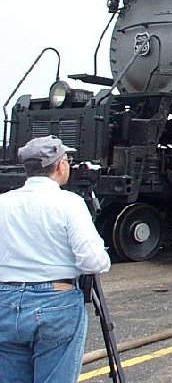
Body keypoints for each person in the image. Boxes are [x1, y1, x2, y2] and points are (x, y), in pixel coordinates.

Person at [0, 135, 111, 383]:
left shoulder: (2, 203)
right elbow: (94, 262)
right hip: (55, 302)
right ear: (60, 165)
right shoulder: (69, 204)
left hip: (4, 301)